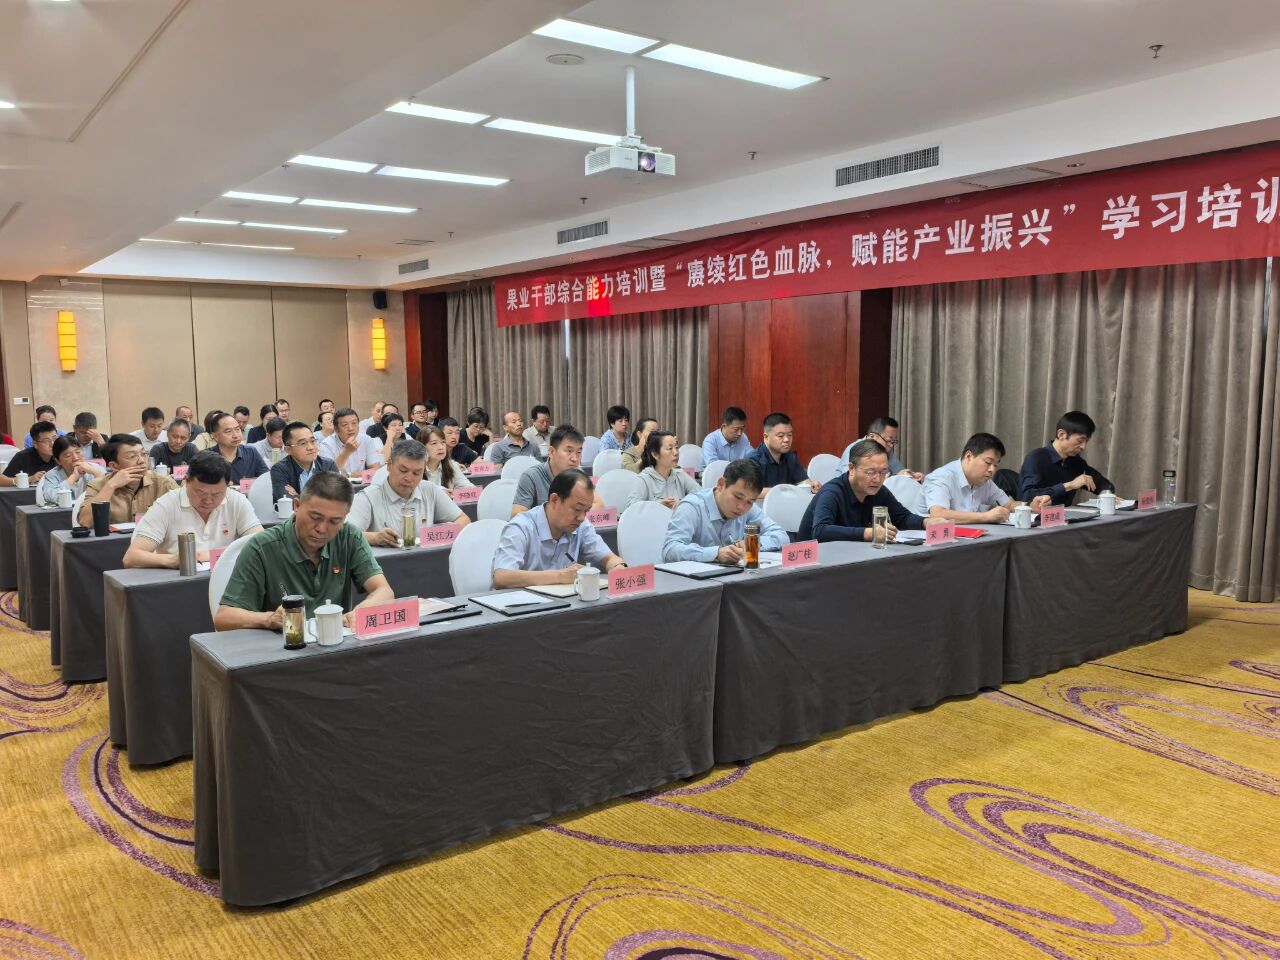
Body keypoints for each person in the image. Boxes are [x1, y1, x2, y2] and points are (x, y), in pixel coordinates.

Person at [214, 471, 394, 628]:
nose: (322, 529)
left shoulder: (349, 537)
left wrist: (362, 611)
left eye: (334, 521)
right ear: (297, 506)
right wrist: (268, 619)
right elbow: (224, 618)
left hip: (336, 646)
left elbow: (384, 591)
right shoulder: (262, 548)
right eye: (315, 517)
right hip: (283, 647)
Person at [124, 452, 262, 569]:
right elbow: (131, 558)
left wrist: (204, 556)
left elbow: (261, 543)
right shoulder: (166, 505)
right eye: (201, 493)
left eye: (217, 494)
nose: (208, 500)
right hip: (179, 582)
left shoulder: (236, 500)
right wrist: (174, 560)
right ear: (186, 481)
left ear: (228, 485)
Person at [492, 469, 625, 588]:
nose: (581, 517)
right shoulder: (520, 527)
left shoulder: (581, 525)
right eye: (577, 509)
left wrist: (617, 566)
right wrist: (560, 576)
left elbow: (609, 558)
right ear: (555, 500)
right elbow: (502, 577)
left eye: (586, 511)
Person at [347, 438, 470, 547]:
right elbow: (346, 535)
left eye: (417, 473)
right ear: (389, 465)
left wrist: (449, 530)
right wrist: (375, 538)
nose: (409, 478)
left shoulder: (430, 490)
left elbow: (464, 519)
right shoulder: (368, 497)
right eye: (403, 470)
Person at [798, 439, 925, 543]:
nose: (877, 479)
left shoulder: (878, 490)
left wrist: (926, 522)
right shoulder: (832, 492)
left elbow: (902, 518)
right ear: (851, 468)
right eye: (870, 472)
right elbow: (820, 531)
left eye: (883, 472)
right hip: (815, 560)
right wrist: (869, 533)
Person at [662, 458, 787, 563]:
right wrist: (715, 554)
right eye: (737, 497)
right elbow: (670, 549)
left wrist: (751, 544)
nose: (741, 507)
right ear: (721, 484)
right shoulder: (693, 506)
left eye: (750, 501)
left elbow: (781, 535)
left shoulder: (748, 506)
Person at [924, 433, 1050, 523]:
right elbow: (938, 514)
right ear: (969, 456)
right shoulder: (942, 477)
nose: (992, 470)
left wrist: (1030, 506)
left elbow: (1009, 505)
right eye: (988, 462)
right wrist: (986, 516)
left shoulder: (985, 482)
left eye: (996, 465)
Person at [1018, 411, 1116, 506]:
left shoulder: (1076, 462)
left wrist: (1106, 495)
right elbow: (1026, 497)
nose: (1083, 447)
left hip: (1066, 515)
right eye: (1080, 441)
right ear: (1061, 435)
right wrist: (1069, 485)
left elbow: (1104, 485)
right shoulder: (1036, 458)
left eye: (1086, 441)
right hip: (1037, 516)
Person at [77, 434, 178, 526]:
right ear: (114, 466)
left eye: (143, 454)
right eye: (132, 456)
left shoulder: (163, 483)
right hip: (115, 541)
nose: (142, 461)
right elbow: (85, 522)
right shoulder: (98, 485)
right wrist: (111, 486)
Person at [512, 425, 603, 516]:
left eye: (579, 452)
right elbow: (517, 514)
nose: (575, 459)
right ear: (552, 452)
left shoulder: (578, 473)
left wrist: (570, 516)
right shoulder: (531, 476)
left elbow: (598, 504)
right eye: (569, 451)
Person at [626, 430, 699, 510]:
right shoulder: (644, 479)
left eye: (676, 447)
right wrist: (658, 505)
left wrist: (682, 503)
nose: (676, 453)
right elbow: (632, 508)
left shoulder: (680, 475)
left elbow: (701, 495)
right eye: (670, 448)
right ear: (655, 454)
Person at [748, 412, 819, 495]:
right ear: (766, 437)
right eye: (780, 436)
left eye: (789, 435)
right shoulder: (753, 460)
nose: (786, 440)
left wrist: (812, 485)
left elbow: (803, 481)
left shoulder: (790, 457)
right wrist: (787, 490)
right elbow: (750, 491)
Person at [270, 421, 338, 501]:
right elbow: (287, 502)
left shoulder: (328, 465)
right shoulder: (279, 469)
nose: (311, 447)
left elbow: (337, 499)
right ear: (288, 450)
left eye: (312, 441)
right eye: (302, 443)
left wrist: (298, 496)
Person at [839, 416, 922, 481]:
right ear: (872, 437)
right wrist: (893, 478)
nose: (891, 445)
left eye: (893, 442)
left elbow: (899, 471)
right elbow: (854, 480)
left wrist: (910, 475)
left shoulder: (886, 449)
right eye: (888, 441)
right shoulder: (855, 449)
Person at [37, 436, 105, 505]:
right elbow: (52, 497)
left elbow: (110, 491)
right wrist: (73, 477)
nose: (75, 458)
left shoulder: (96, 468)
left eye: (78, 452)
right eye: (68, 455)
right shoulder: (52, 475)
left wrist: (96, 473)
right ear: (58, 461)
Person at [319, 407, 387, 475]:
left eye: (354, 423)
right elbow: (329, 474)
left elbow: (375, 469)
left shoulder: (366, 440)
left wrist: (350, 475)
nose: (351, 428)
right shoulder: (326, 445)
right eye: (345, 425)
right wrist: (347, 451)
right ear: (336, 428)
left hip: (362, 481)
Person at [209, 412, 267, 485]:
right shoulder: (207, 458)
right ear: (215, 436)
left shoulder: (251, 452)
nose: (235, 435)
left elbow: (266, 479)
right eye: (228, 431)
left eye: (237, 429)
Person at [2, 421, 59, 486]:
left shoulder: (62, 454)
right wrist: (28, 479)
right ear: (35, 444)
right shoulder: (22, 457)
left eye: (55, 439)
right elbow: (1, 480)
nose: (52, 444)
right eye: (46, 441)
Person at [419, 426, 473, 491]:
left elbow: (470, 488)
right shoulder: (415, 467)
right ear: (422, 447)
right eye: (434, 443)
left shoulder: (452, 465)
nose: (441, 447)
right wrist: (441, 492)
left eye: (443, 442)